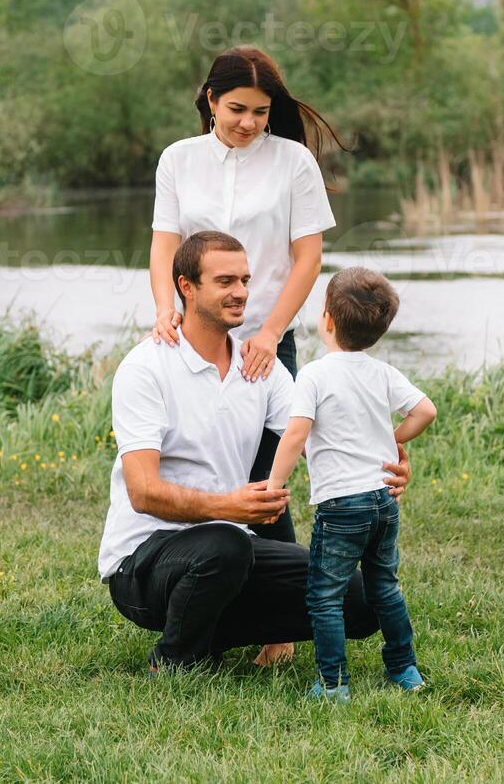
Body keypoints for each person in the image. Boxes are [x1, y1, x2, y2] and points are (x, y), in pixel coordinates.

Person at [101, 232, 411, 673]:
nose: (242, 292)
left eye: (245, 280)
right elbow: (143, 492)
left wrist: (387, 469)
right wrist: (229, 506)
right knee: (226, 544)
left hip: (231, 551)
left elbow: (325, 441)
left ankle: (208, 633)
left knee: (362, 600)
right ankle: (172, 659)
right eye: (225, 281)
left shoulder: (260, 367)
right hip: (142, 561)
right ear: (186, 287)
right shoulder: (146, 367)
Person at [146, 45, 346, 664]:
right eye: (237, 109)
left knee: (266, 472)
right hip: (190, 335)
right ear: (210, 99)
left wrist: (269, 334)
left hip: (263, 338)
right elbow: (164, 246)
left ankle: (279, 626)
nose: (249, 123)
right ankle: (194, 592)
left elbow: (307, 257)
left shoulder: (293, 163)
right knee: (198, 465)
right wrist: (164, 309)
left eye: (261, 112)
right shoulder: (178, 160)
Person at [263, 267, 439, 701]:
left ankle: (333, 683)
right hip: (383, 501)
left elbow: (296, 434)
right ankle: (404, 668)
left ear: (327, 320)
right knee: (385, 586)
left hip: (341, 505)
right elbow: (425, 411)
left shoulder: (315, 375)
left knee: (324, 595)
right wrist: (391, 441)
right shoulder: (382, 373)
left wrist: (274, 484)